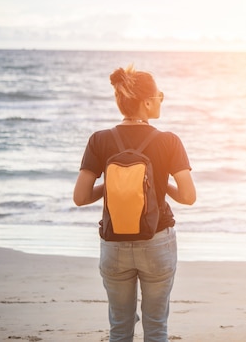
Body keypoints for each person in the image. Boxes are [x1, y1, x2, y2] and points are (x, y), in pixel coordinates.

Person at [73, 65, 196, 342]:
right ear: (148, 101)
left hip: (114, 242)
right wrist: (158, 186)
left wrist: (116, 184)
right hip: (157, 240)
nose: (161, 100)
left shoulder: (99, 140)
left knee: (119, 327)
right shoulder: (169, 141)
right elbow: (188, 196)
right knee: (155, 327)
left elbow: (80, 197)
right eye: (160, 96)